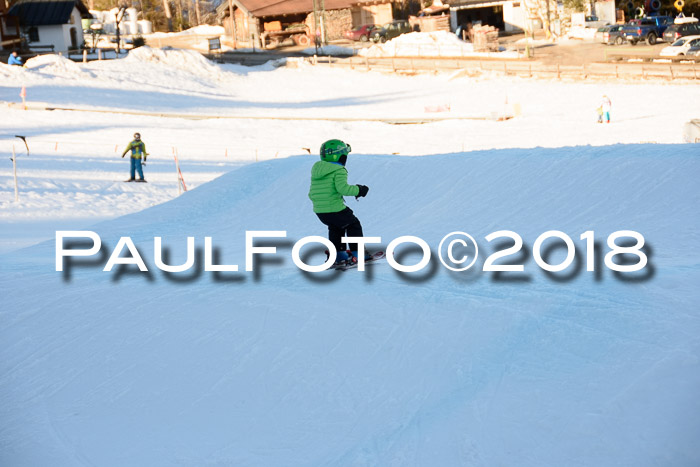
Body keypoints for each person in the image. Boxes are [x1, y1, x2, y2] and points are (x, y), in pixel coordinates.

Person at [308, 139, 370, 267]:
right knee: (353, 224)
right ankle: (358, 254)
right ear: (340, 156)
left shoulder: (317, 171)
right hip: (335, 208)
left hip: (320, 211)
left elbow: (311, 193)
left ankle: (338, 256)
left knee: (336, 228)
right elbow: (343, 189)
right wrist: (360, 190)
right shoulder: (338, 170)